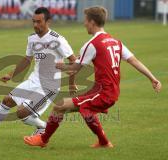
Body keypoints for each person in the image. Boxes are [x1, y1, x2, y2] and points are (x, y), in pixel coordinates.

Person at [23, 6, 162, 148]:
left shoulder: (92, 44)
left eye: (86, 21)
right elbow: (134, 60)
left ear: (92, 22)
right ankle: (102, 141)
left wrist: (60, 66)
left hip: (104, 92)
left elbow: (75, 68)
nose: (84, 24)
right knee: (69, 107)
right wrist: (152, 78)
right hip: (109, 91)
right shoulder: (115, 42)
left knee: (69, 107)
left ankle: (44, 139)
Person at [0, 7, 77, 140]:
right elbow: (27, 59)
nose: (35, 25)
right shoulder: (32, 38)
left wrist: (72, 84)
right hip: (34, 81)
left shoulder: (58, 40)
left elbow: (75, 62)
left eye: (39, 22)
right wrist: (11, 74)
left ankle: (44, 127)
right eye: (33, 21)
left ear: (48, 21)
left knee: (22, 113)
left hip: (49, 86)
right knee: (7, 100)